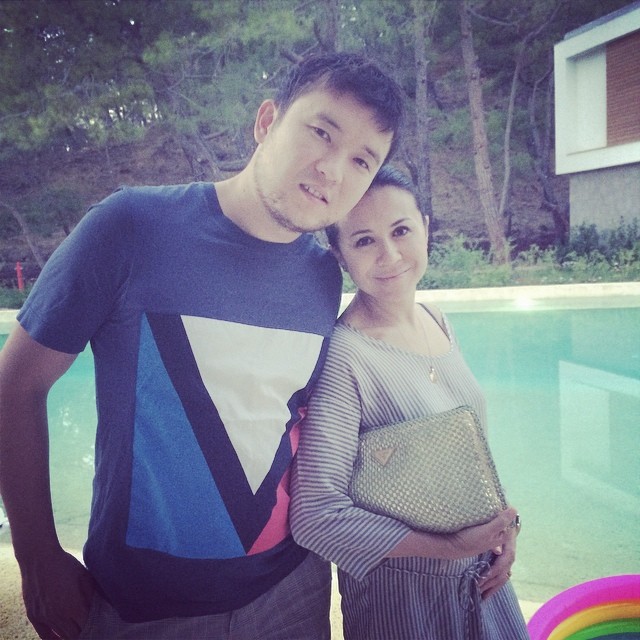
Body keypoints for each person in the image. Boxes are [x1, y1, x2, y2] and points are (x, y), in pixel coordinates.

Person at [0, 52, 404, 640]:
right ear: (267, 122)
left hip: (293, 589)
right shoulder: (130, 227)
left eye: (362, 160)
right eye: (322, 132)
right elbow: (16, 384)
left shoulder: (322, 275)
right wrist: (36, 555)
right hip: (145, 607)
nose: (332, 170)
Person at [290, 165, 529, 639]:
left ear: (425, 226)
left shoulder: (436, 320)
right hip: (405, 604)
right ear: (340, 255)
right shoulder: (346, 356)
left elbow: (462, 454)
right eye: (364, 241)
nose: (390, 254)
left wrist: (504, 531)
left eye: (401, 230)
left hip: (484, 582)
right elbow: (315, 517)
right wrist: (451, 548)